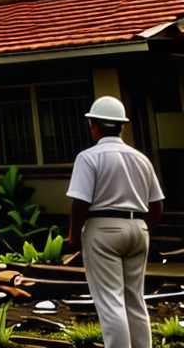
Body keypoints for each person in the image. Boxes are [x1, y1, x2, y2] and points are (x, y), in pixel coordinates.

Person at [66, 97, 165, 348]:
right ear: (121, 126)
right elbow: (156, 204)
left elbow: (80, 202)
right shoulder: (141, 158)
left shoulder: (88, 157)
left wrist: (73, 236)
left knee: (111, 301)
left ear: (93, 125)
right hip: (138, 227)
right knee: (135, 299)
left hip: (103, 228)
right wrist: (145, 229)